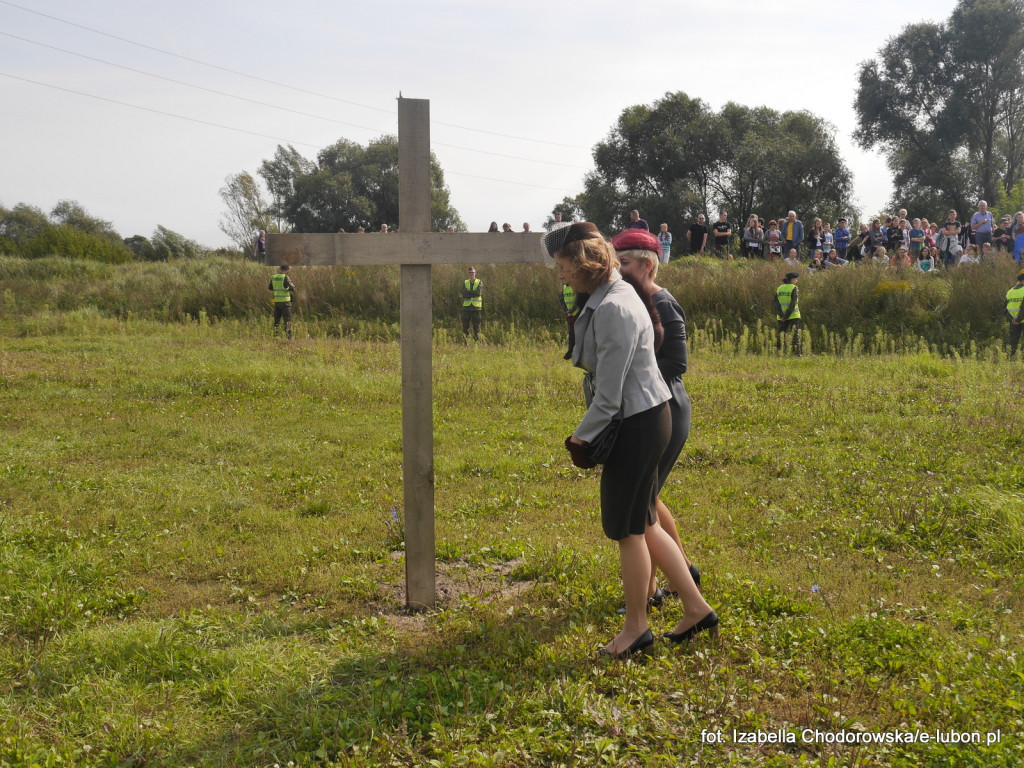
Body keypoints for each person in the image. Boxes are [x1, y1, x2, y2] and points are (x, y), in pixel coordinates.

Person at [543, 222, 716, 657]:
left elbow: (610, 394)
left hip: (636, 422)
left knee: (628, 531)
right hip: (643, 416)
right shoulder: (612, 296)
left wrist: (580, 439)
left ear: (584, 263)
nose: (560, 275)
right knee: (647, 522)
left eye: (563, 266)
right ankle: (695, 609)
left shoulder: (615, 308)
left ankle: (636, 629)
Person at [611, 229, 702, 606]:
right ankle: (683, 571)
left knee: (641, 506)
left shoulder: (661, 302)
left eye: (625, 264)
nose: (618, 271)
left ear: (647, 265)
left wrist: (627, 372)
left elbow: (677, 362)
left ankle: (651, 593)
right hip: (646, 407)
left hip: (666, 408)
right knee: (650, 497)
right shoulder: (629, 300)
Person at [774, 272, 801, 354]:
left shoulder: (779, 288)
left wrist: (782, 315)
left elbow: (775, 304)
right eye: (796, 279)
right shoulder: (794, 288)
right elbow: (793, 304)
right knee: (794, 334)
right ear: (792, 279)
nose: (797, 280)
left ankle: (779, 352)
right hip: (793, 315)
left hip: (781, 316)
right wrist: (787, 316)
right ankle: (796, 354)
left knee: (781, 334)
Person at [268, 264, 296, 339]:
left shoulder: (274, 277)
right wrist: (286, 289)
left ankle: (275, 335)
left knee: (276, 320)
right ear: (286, 270)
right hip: (285, 302)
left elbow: (270, 287)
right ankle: (288, 337)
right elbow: (293, 288)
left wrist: (278, 289)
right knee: (287, 320)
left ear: (280, 268)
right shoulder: (285, 277)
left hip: (277, 302)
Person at [461, 267, 482, 339]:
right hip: (466, 308)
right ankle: (465, 343)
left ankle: (477, 343)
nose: (471, 274)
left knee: (476, 327)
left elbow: (478, 293)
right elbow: (464, 294)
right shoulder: (465, 282)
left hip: (476, 308)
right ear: (468, 274)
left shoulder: (479, 282)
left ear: (475, 273)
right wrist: (472, 293)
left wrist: (468, 293)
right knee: (465, 327)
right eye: (470, 273)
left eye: (472, 273)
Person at [1007, 270, 1024, 355]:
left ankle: (1009, 359)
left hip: (1013, 321)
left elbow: (1005, 308)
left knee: (1012, 342)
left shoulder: (1010, 292)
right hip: (1021, 319)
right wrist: (1019, 319)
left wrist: (1012, 319)